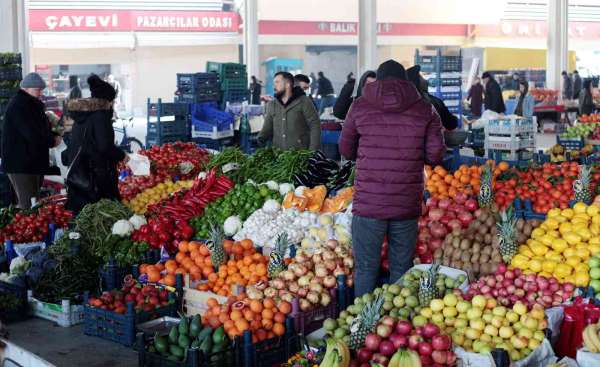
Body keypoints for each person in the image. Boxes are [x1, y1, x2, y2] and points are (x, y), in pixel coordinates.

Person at [339, 60, 445, 296]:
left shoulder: (360, 106)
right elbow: (435, 155)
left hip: (369, 203)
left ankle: (361, 324)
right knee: (401, 268)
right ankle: (397, 324)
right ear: (406, 81)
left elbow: (345, 150)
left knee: (366, 268)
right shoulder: (425, 109)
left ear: (378, 80)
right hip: (405, 203)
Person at [62, 74, 126, 213]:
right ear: (107, 100)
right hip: (95, 176)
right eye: (112, 101)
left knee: (83, 213)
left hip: (80, 173)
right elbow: (104, 146)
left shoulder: (83, 114)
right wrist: (122, 155)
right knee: (101, 214)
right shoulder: (100, 116)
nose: (112, 104)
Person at [1, 73, 61, 209]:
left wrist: (53, 135)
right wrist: (51, 140)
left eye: (41, 90)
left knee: (32, 202)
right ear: (25, 88)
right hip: (21, 164)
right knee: (28, 204)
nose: (40, 93)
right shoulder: (20, 106)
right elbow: (31, 133)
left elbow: (39, 129)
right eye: (37, 90)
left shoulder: (31, 104)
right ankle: (22, 230)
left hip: (30, 162)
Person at [258, 71, 321, 150]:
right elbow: (267, 128)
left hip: (300, 154)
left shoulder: (304, 101)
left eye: (277, 82)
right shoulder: (272, 104)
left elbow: (315, 125)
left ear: (288, 84)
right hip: (279, 155)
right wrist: (260, 140)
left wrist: (313, 151)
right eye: (274, 82)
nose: (274, 86)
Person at [406, 65, 458, 131]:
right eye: (421, 77)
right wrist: (455, 119)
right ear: (417, 82)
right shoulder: (434, 102)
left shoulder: (403, 103)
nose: (426, 80)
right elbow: (451, 124)